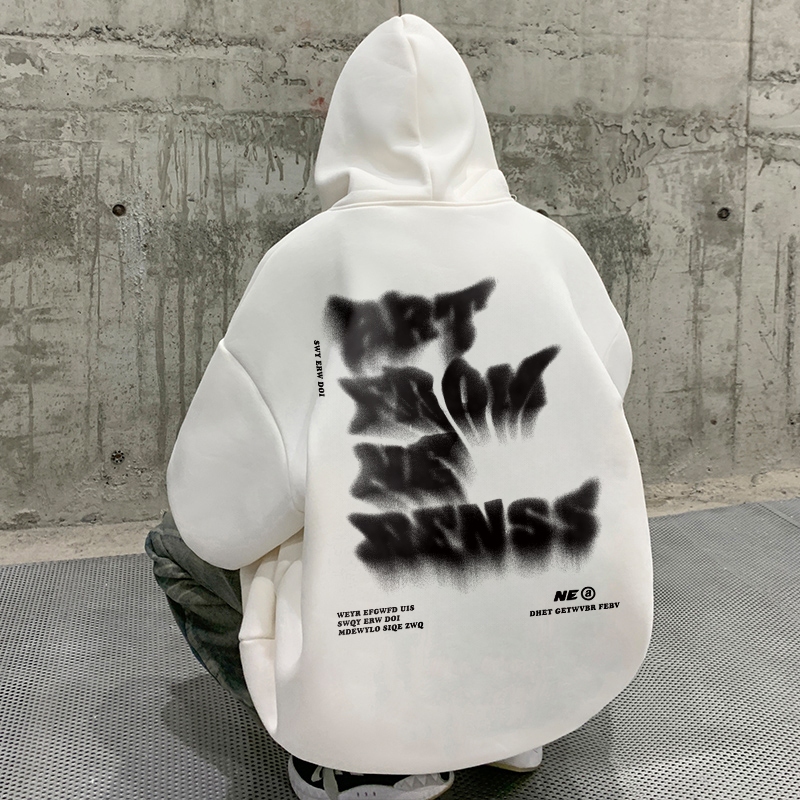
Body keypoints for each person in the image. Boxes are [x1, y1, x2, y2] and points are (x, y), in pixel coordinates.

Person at [148, 13, 653, 800]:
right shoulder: (552, 247)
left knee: (180, 543)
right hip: (565, 633)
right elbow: (597, 403)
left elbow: (219, 512)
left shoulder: (308, 260)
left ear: (345, 133)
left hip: (378, 658)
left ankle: (363, 756)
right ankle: (512, 724)